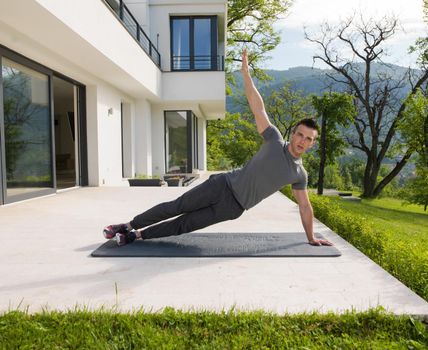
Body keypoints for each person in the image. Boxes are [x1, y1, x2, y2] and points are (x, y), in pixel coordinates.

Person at [103, 49, 333, 247]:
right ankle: (127, 225)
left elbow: (304, 206)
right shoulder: (273, 139)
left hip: (233, 208)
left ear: (312, 144)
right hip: (222, 185)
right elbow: (258, 107)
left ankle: (137, 236)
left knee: (186, 224)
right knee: (176, 206)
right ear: (293, 134)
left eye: (308, 139)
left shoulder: (299, 174)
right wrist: (246, 74)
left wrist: (311, 237)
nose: (302, 141)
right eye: (300, 135)